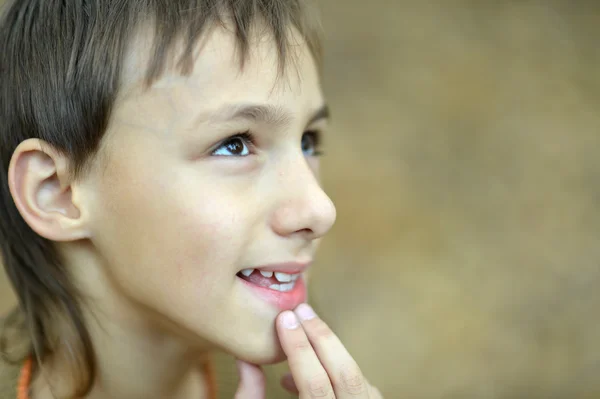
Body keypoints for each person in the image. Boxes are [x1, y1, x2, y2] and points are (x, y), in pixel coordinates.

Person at [0, 1, 383, 398]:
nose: (320, 209)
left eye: (308, 140)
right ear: (55, 193)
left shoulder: (297, 382)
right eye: (233, 145)